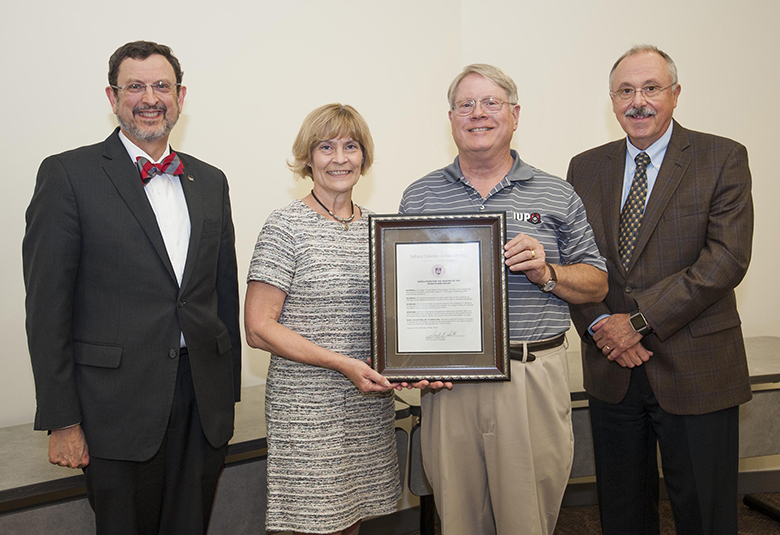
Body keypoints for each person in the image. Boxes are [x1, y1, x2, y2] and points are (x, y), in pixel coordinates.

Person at [23, 41, 241, 535]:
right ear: (112, 95)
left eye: (161, 86)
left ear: (180, 96)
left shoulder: (211, 181)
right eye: (135, 86)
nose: (150, 97)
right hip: (112, 408)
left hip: (200, 404)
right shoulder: (68, 175)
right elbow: (46, 309)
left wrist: (225, 397)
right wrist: (62, 420)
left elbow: (220, 296)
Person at [399, 64, 608, 535]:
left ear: (515, 115)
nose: (479, 114)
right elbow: (404, 293)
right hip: (451, 386)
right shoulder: (419, 196)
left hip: (529, 377)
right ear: (451, 118)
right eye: (466, 105)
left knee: (527, 519)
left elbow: (597, 282)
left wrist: (548, 272)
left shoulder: (557, 192)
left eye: (491, 103)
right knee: (458, 518)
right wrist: (408, 357)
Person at [567, 45, 753, 535]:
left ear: (674, 94)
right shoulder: (585, 167)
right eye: (625, 90)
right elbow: (574, 263)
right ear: (611, 100)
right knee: (623, 512)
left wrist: (638, 323)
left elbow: (726, 260)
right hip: (612, 368)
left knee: (705, 515)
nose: (638, 101)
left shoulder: (722, 157)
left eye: (650, 88)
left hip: (696, 368)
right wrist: (603, 327)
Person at [244, 103, 403, 535]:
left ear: (364, 157)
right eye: (326, 146)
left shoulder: (381, 230)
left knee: (351, 520)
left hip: (366, 402)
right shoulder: (285, 226)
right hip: (308, 408)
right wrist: (341, 363)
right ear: (308, 157)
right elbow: (258, 328)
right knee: (315, 523)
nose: (339, 158)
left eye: (351, 146)